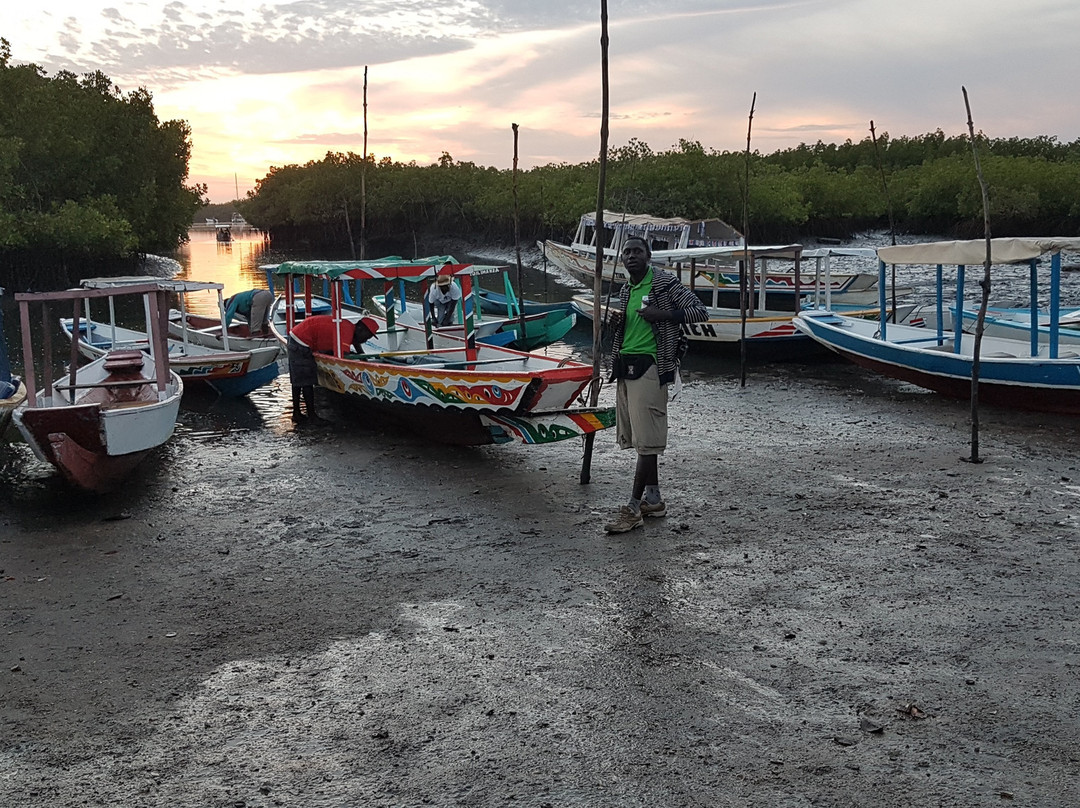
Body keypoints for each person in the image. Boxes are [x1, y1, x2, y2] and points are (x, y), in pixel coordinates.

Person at [603, 236, 709, 534]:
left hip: (651, 368)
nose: (631, 256)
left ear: (648, 256)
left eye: (637, 251)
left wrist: (661, 315)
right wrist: (617, 325)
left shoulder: (663, 283)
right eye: (627, 252)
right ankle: (654, 500)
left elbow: (699, 311)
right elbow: (634, 327)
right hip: (626, 368)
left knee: (647, 441)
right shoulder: (627, 290)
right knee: (639, 438)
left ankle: (634, 507)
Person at [287, 315, 379, 421]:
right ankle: (311, 416)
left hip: (298, 335)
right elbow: (342, 356)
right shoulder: (346, 330)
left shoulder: (349, 327)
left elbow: (356, 343)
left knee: (298, 379)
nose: (366, 340)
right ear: (360, 328)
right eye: (367, 336)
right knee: (306, 380)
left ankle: (297, 413)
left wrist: (364, 361)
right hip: (302, 340)